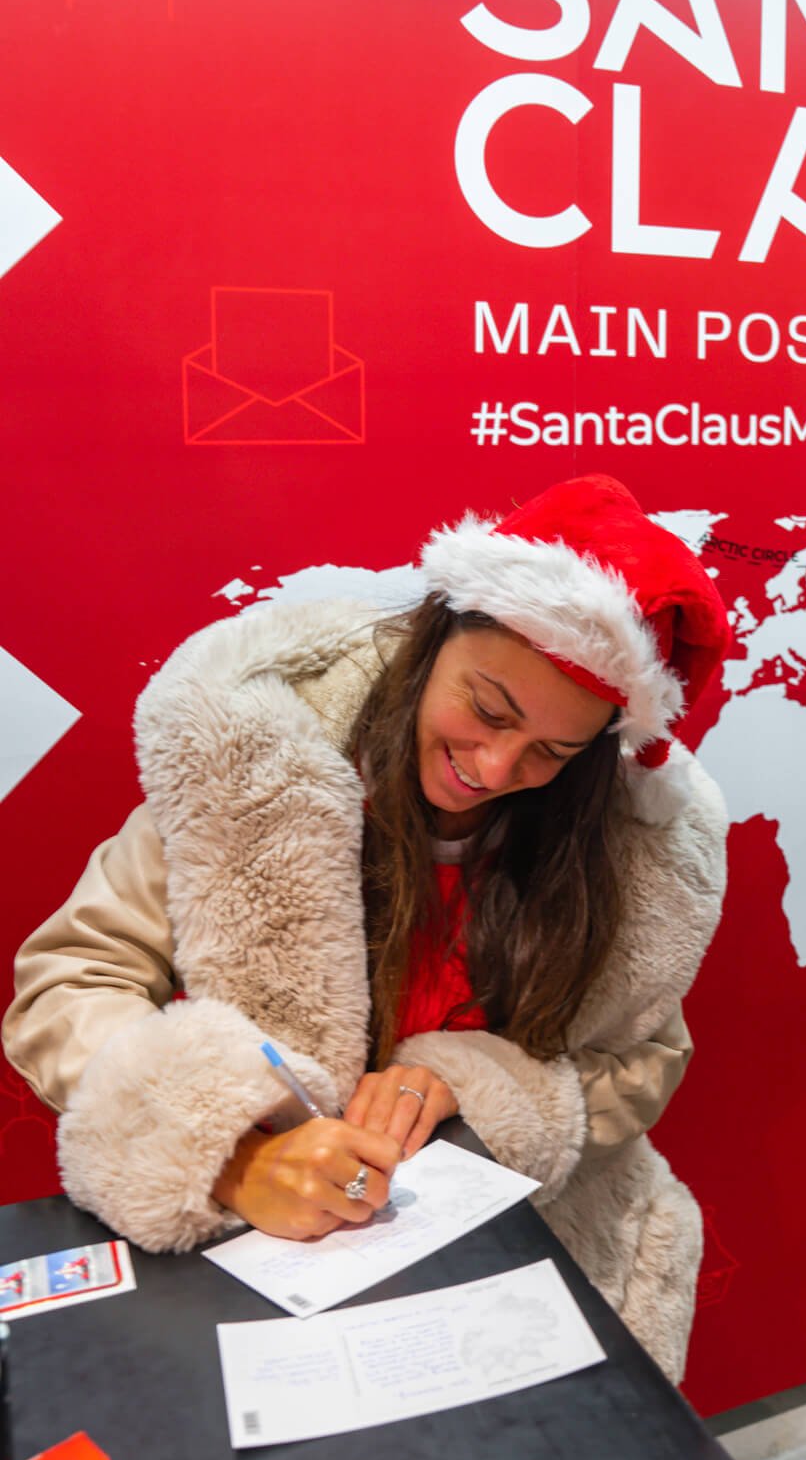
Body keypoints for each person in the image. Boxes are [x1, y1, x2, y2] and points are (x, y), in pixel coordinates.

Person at [3, 475, 731, 1380]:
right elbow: (70, 986)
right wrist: (229, 1153)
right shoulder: (260, 768)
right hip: (269, 1268)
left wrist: (482, 1082)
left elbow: (644, 1062)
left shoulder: (622, 848)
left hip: (522, 1269)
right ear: (434, 637)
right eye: (488, 709)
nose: (496, 765)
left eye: (551, 751)